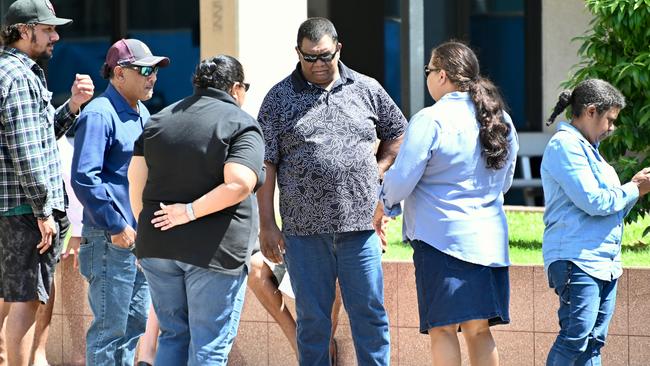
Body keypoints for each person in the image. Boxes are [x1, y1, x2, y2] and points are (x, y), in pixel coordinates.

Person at [257, 17, 406, 366]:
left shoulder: (366, 88)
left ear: (338, 48)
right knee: (312, 321)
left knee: (370, 313)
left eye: (324, 56)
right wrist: (267, 224)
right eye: (310, 58)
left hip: (360, 227)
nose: (318, 65)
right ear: (298, 53)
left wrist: (379, 169)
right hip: (304, 233)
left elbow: (398, 132)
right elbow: (266, 163)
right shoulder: (278, 98)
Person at [377, 41, 518, 366]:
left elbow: (402, 177)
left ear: (441, 75)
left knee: (442, 330)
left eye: (428, 70)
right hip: (490, 241)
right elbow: (505, 180)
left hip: (442, 241)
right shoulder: (501, 119)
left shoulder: (431, 119)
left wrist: (383, 205)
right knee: (479, 331)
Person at [128, 55, 265, 365]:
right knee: (209, 345)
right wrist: (188, 212)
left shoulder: (159, 120)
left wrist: (146, 223)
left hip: (158, 246)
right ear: (236, 88)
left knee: (173, 335)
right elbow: (240, 183)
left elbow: (134, 177)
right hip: (213, 252)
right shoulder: (240, 122)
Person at [0, 0, 94, 364]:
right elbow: (26, 150)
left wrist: (72, 106)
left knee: (14, 294)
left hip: (15, 206)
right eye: (48, 29)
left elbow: (36, 137)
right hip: (25, 210)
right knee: (26, 299)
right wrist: (43, 210)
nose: (55, 36)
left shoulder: (12, 71)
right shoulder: (20, 75)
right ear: (24, 31)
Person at [71, 38, 169, 366]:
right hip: (110, 238)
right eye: (144, 69)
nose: (152, 76)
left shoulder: (141, 111)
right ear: (119, 73)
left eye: (154, 70)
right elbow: (85, 177)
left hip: (137, 239)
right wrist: (115, 226)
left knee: (134, 326)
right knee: (109, 331)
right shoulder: (99, 114)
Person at [542, 79, 650, 365]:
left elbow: (609, 209)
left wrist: (635, 188)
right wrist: (634, 188)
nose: (612, 128)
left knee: (592, 344)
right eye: (610, 120)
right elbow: (594, 201)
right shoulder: (565, 146)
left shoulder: (591, 151)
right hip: (577, 260)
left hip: (604, 264)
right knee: (575, 338)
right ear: (591, 111)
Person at [27, 132, 85, 366]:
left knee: (45, 277)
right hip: (23, 217)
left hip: (46, 221)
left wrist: (78, 231)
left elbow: (72, 181)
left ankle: (40, 353)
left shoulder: (55, 140)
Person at [247, 250, 342, 363]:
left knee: (336, 271)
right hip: (292, 251)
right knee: (253, 266)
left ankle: (326, 342)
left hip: (326, 250)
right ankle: (299, 346)